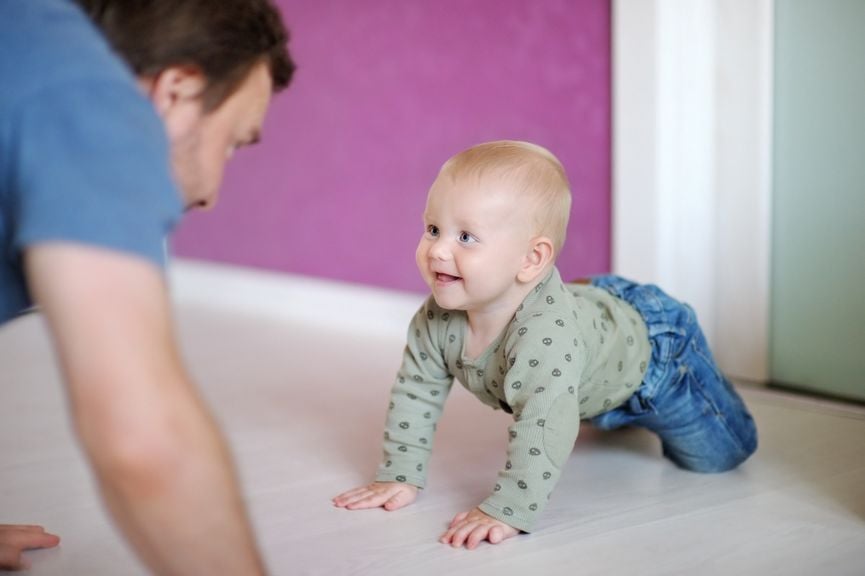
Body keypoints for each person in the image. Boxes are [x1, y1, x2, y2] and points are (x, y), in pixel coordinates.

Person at [333, 140, 758, 549]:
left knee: (720, 456)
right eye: (432, 228)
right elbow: (416, 391)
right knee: (565, 397)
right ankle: (605, 393)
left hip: (655, 355)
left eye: (465, 237)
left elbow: (542, 424)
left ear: (531, 260)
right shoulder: (436, 319)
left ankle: (669, 389)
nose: (438, 249)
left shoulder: (544, 338)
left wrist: (508, 508)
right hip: (588, 338)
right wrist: (399, 474)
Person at [0, 0, 294, 571]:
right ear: (176, 91)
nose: (211, 194)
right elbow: (145, 446)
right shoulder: (93, 100)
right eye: (233, 140)